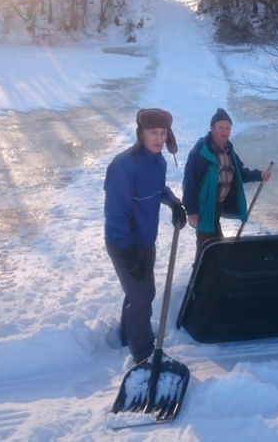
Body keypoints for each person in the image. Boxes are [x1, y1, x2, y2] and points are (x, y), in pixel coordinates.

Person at [104, 108, 187, 365]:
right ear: (141, 134)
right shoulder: (123, 167)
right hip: (123, 243)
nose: (158, 138)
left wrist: (173, 203)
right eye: (153, 133)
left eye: (163, 133)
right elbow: (116, 214)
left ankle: (125, 336)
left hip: (145, 240)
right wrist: (128, 253)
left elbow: (157, 188)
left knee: (139, 291)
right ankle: (143, 354)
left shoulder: (158, 161)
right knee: (141, 295)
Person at [183, 107, 271, 257]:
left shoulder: (228, 149)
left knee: (211, 245)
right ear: (212, 128)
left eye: (227, 128)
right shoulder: (200, 152)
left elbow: (240, 172)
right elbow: (189, 182)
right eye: (221, 128)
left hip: (218, 204)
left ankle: (204, 275)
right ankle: (202, 276)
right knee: (210, 246)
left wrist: (259, 175)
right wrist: (192, 211)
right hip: (205, 206)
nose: (224, 131)